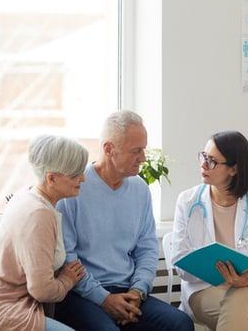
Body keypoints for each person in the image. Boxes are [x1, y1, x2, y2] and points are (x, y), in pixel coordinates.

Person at [54, 110, 193, 331]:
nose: (144, 158)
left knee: (180, 323)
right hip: (82, 295)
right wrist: (104, 298)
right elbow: (67, 258)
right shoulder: (74, 188)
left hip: (128, 290)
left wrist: (138, 291)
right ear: (109, 149)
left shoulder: (140, 189)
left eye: (144, 149)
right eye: (136, 151)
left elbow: (147, 249)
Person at [0, 135, 89, 331]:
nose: (83, 178)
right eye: (75, 174)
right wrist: (67, 280)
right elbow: (42, 290)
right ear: (51, 178)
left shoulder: (28, 194)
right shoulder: (39, 214)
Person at [171, 131, 248, 331]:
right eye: (203, 157)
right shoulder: (187, 202)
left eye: (212, 161)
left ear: (233, 169)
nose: (203, 165)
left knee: (240, 296)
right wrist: (218, 275)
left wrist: (244, 280)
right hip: (205, 290)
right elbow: (180, 262)